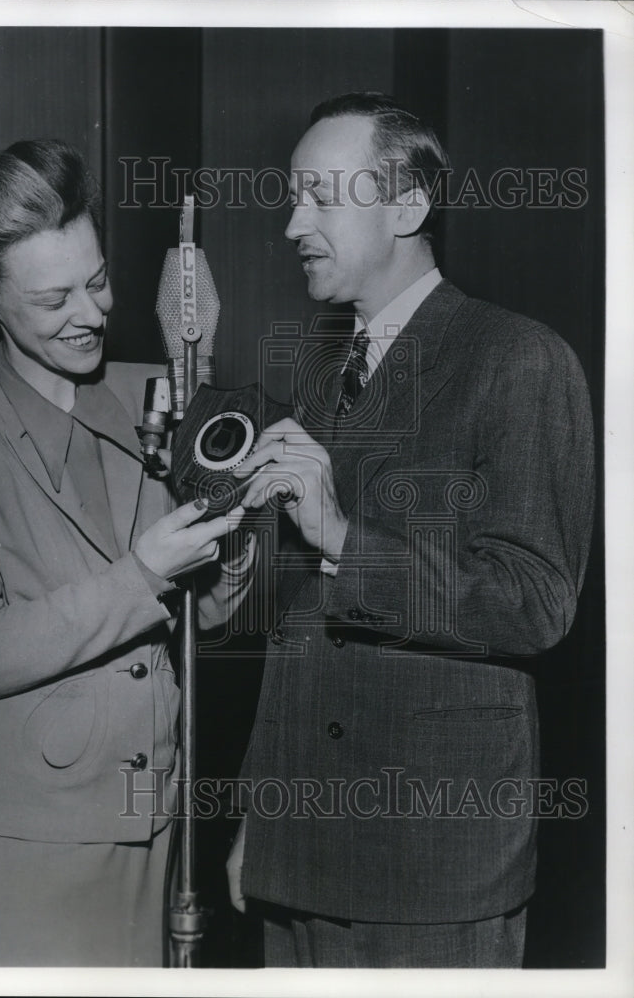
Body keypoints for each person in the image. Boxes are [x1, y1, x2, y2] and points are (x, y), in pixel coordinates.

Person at [226, 93, 596, 967]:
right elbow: (295, 636)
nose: (291, 224)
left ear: (407, 206)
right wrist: (257, 822)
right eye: (291, 196)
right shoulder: (323, 376)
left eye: (321, 196)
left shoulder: (517, 358)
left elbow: (534, 603)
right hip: (299, 856)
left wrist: (342, 538)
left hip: (431, 870)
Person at [0, 138, 252, 966]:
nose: (88, 313)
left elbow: (212, 619)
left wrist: (238, 527)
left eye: (96, 281)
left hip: (154, 823)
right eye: (52, 299)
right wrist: (143, 572)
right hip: (16, 839)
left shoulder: (153, 391)